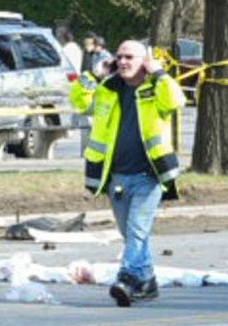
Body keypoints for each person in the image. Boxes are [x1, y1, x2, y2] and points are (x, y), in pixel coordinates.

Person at [73, 36, 183, 306]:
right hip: (117, 176)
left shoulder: (155, 87)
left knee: (136, 231)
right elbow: (79, 101)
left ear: (143, 61)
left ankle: (127, 277)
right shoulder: (109, 89)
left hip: (149, 175)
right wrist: (93, 74)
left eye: (129, 57)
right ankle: (147, 282)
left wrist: (158, 72)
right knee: (132, 233)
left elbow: (175, 100)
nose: (122, 62)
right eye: (119, 57)